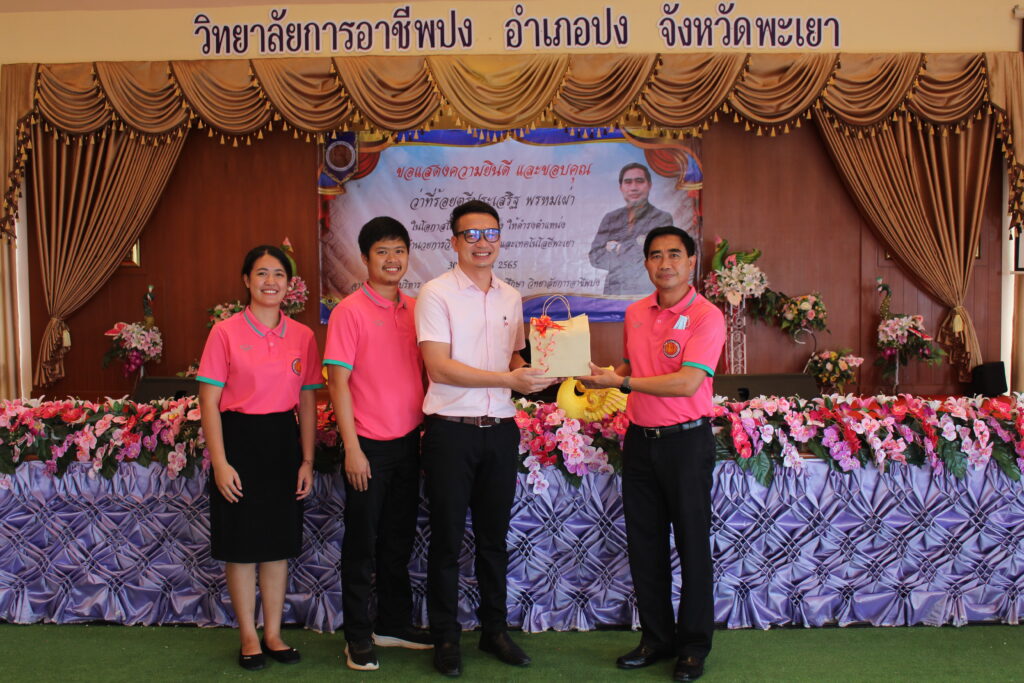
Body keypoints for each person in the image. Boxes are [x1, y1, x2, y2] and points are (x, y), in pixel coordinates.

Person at [415, 199, 554, 677]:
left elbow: (514, 358)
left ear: (500, 239)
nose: (482, 242)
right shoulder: (435, 293)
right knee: (447, 540)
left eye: (490, 233)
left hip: (500, 431)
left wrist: (540, 371)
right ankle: (446, 636)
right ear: (454, 241)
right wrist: (507, 379)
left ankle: (494, 630)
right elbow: (439, 367)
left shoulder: (510, 296)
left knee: (495, 540)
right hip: (451, 432)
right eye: (471, 234)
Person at [581, 226, 725, 682]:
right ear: (645, 263)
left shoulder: (706, 316)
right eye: (656, 255)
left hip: (686, 442)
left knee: (692, 545)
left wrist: (621, 382)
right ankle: (656, 638)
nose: (665, 264)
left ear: (691, 261)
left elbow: (687, 382)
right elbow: (632, 366)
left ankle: (694, 646)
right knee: (645, 546)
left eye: (674, 255)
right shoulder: (636, 312)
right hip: (641, 442)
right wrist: (601, 375)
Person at [197, 245, 323, 671]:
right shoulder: (225, 332)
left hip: (282, 443)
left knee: (275, 546)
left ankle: (273, 633)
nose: (271, 282)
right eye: (262, 273)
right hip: (238, 442)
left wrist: (307, 460)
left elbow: (307, 402)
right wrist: (220, 462)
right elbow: (208, 402)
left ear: (290, 284)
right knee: (242, 546)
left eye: (279, 274)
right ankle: (248, 636)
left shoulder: (303, 336)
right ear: (247, 280)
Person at [324, 217, 432, 671]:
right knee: (362, 546)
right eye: (382, 251)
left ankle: (393, 624)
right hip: (367, 447)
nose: (392, 259)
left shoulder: (417, 309)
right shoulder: (349, 311)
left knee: (398, 541)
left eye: (399, 251)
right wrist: (351, 448)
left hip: (410, 443)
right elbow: (337, 383)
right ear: (366, 258)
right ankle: (357, 635)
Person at [589, 163, 674, 296]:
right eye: (628, 182)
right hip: (614, 293)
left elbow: (658, 257)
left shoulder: (662, 219)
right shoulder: (611, 218)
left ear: (649, 185)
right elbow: (595, 256)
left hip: (647, 293)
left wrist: (618, 249)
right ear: (621, 188)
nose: (633, 187)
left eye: (639, 181)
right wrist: (636, 249)